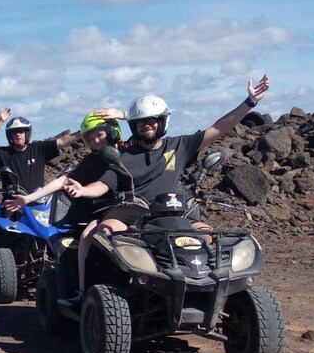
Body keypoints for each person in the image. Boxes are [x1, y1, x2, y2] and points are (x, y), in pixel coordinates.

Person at [58, 75, 272, 309]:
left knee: (210, 236)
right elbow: (104, 184)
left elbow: (219, 128)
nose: (146, 126)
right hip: (133, 216)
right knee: (105, 232)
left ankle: (213, 294)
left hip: (174, 216)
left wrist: (249, 103)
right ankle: (91, 294)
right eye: (141, 123)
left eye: (151, 121)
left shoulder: (179, 146)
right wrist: (83, 190)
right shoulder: (125, 156)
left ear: (162, 123)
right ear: (134, 126)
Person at [2, 113, 124, 303]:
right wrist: (28, 199)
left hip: (136, 210)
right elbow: (64, 180)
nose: (96, 141)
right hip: (102, 213)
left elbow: (142, 122)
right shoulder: (94, 160)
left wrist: (122, 114)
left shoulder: (131, 152)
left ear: (111, 132)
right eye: (91, 139)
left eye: (99, 135)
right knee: (86, 238)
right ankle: (81, 294)